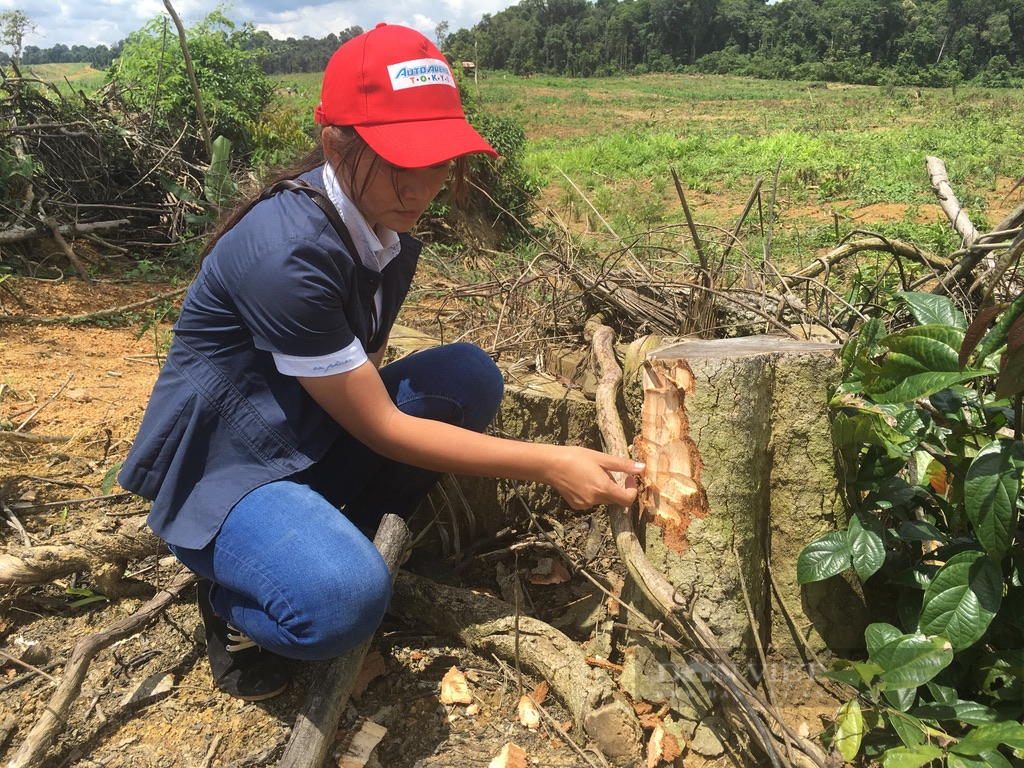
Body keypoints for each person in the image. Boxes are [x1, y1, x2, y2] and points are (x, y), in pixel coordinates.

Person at [118, 23, 643, 701]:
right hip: (227, 472)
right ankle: (236, 606)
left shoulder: (372, 230)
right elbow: (383, 429)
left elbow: (363, 371)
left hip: (301, 432)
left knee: (466, 377)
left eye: (438, 158)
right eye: (401, 158)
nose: (422, 184)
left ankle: (343, 538)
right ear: (336, 144)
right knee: (343, 604)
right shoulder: (288, 254)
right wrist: (549, 461)